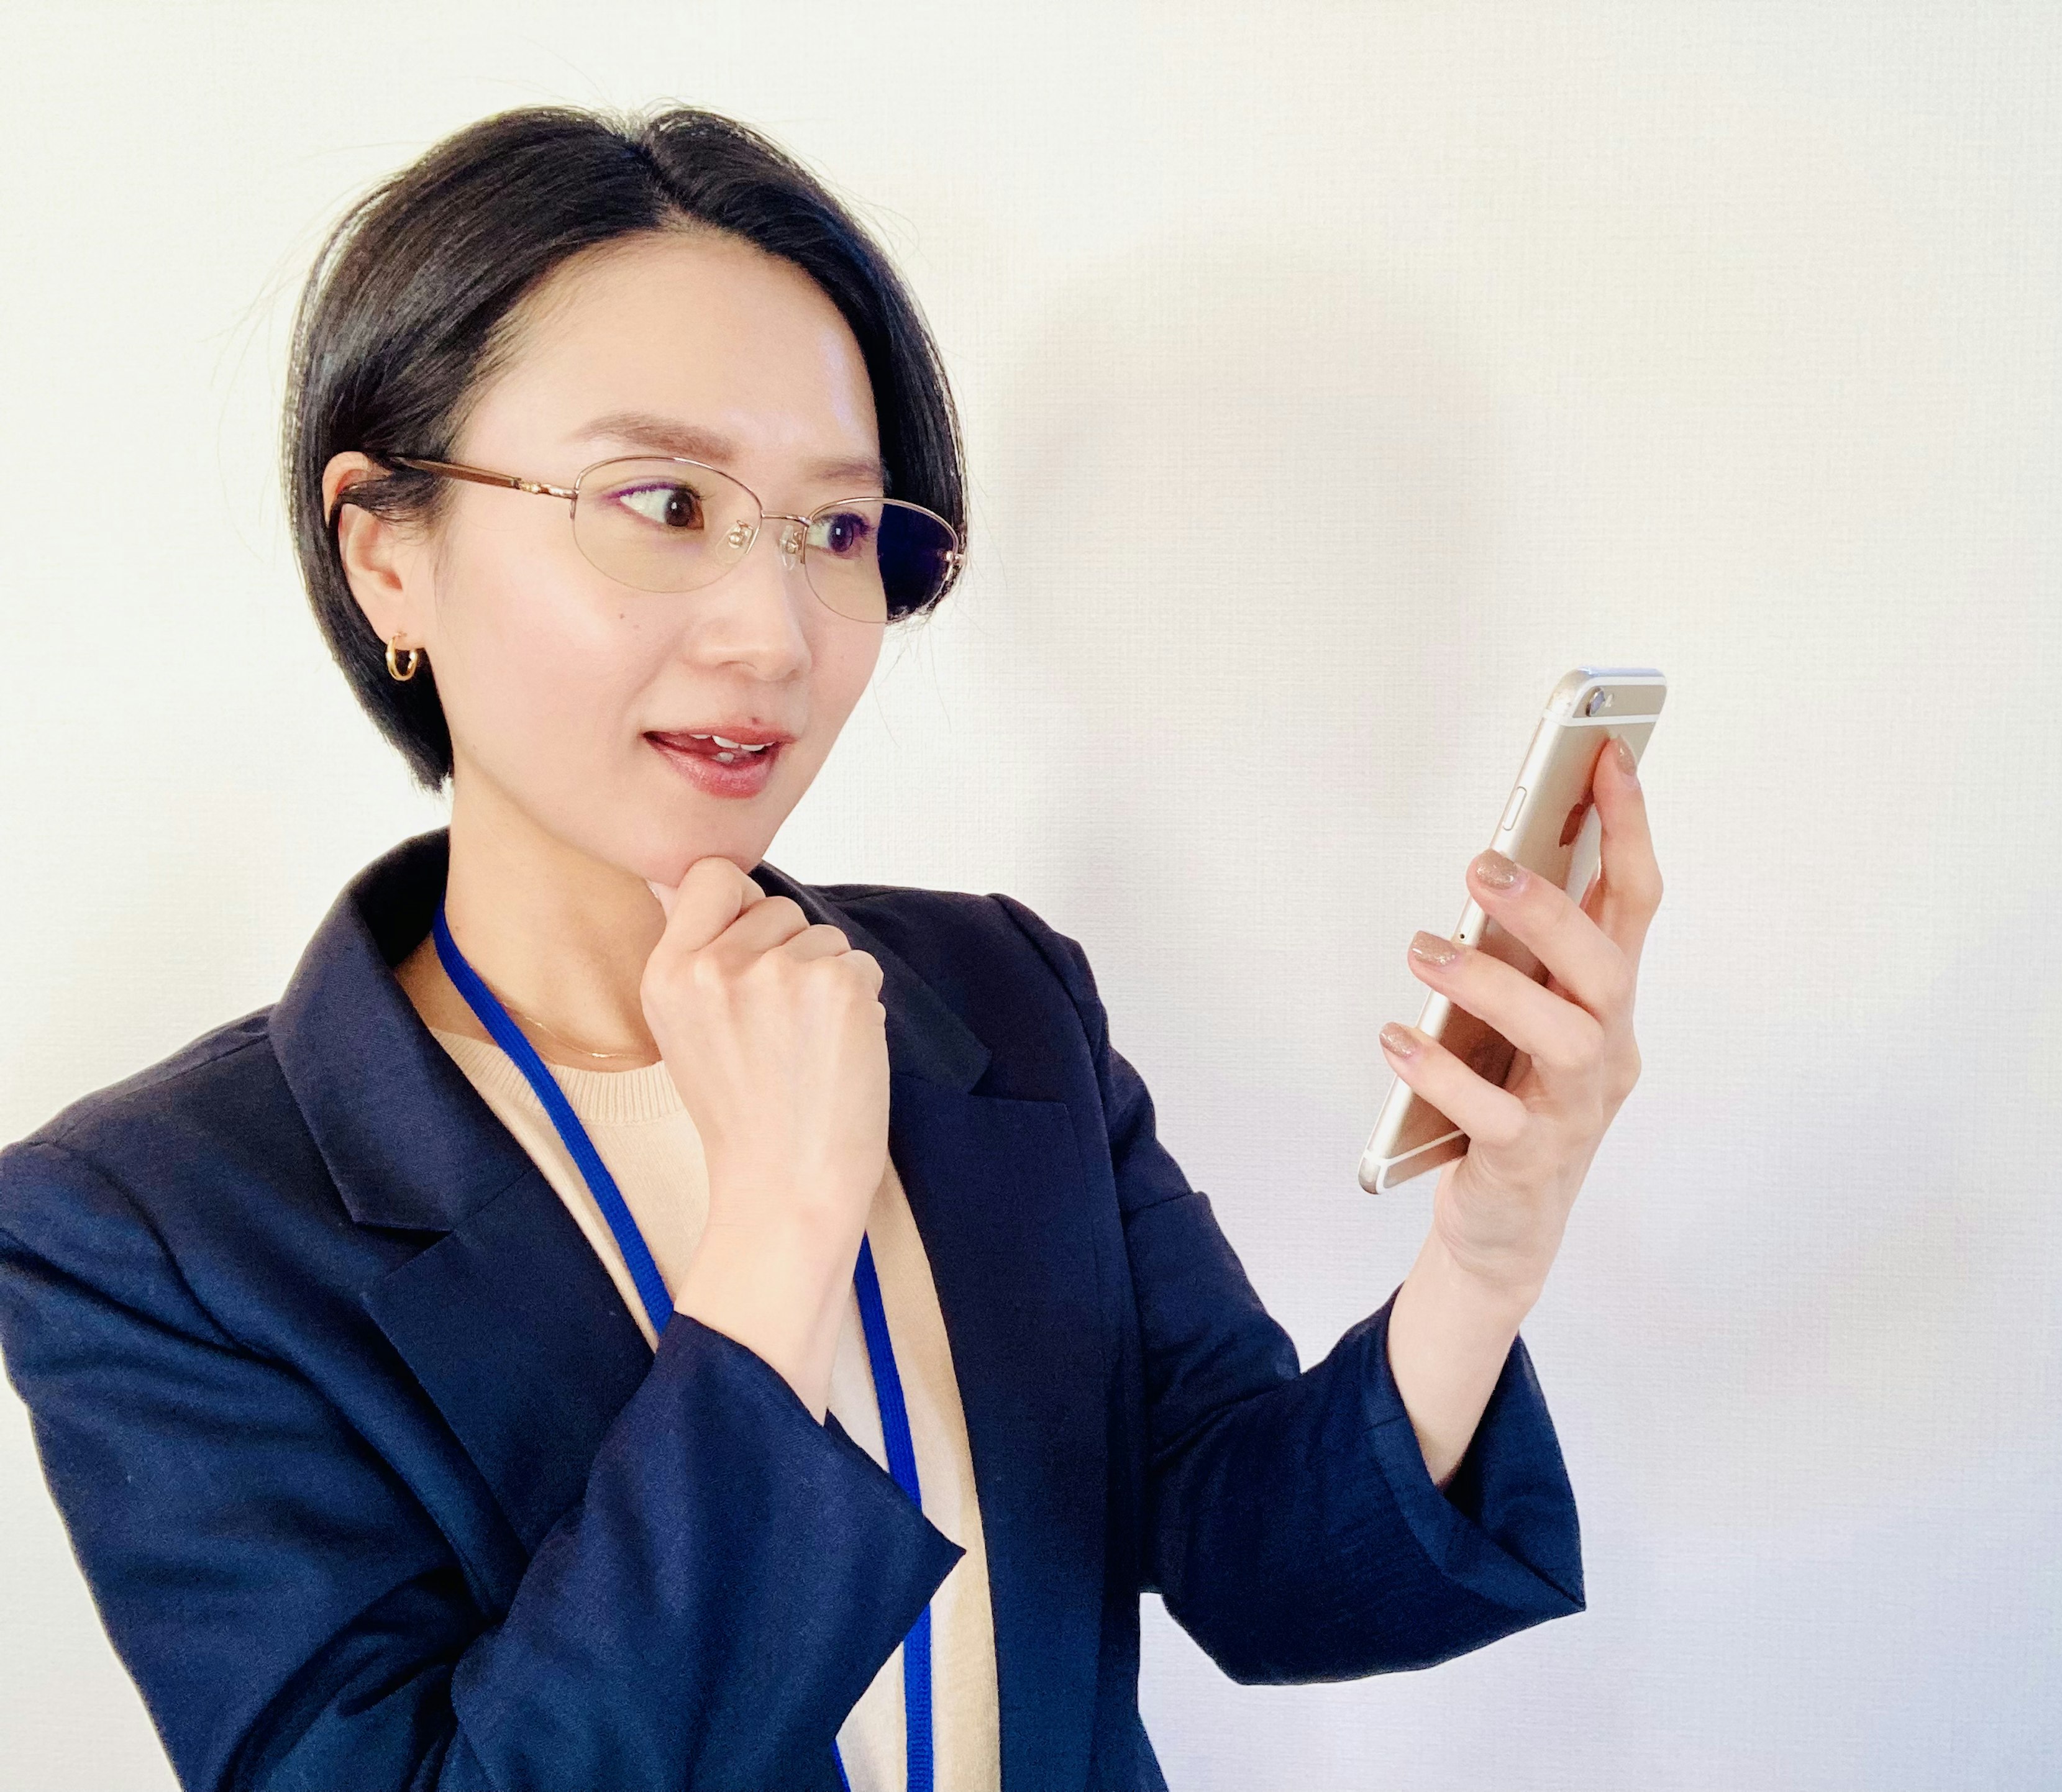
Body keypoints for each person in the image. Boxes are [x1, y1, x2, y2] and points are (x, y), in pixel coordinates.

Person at [0, 103, 1659, 1792]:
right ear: (386, 554)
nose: (771, 632)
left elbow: (1262, 1569)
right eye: (660, 502)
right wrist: (775, 1242)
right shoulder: (152, 1230)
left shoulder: (1000, 1007)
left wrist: (1488, 1249)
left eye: (842, 531)